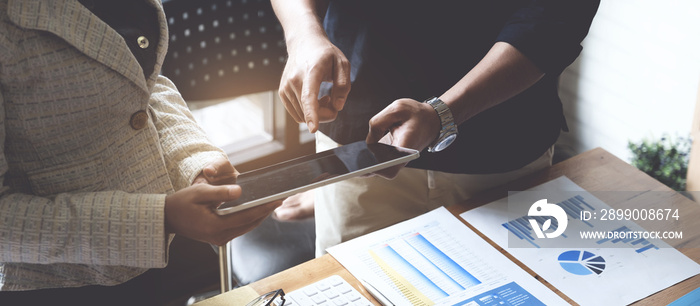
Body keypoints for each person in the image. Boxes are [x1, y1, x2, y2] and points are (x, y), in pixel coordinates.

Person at [271, 0, 600, 256]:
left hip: (501, 155)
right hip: (361, 148)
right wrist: (303, 36)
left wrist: (443, 113)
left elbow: (556, 16)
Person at [0, 0, 280, 299]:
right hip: (59, 283)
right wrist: (158, 219)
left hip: (164, 247)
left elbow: (141, 83)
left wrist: (195, 160)